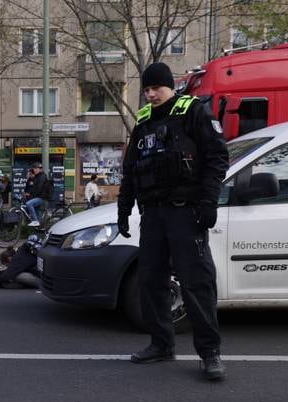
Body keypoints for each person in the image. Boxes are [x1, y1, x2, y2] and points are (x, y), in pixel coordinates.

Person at [117, 62, 229, 381]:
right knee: (152, 281)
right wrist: (123, 210)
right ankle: (161, 344)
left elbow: (217, 157)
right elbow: (132, 170)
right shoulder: (144, 119)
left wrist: (208, 203)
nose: (151, 94)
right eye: (147, 89)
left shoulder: (192, 111)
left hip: (185, 211)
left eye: (156, 88)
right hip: (153, 214)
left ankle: (210, 353)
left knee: (197, 283)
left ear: (170, 86)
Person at [24, 163, 48, 227]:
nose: (35, 170)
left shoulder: (42, 176)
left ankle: (35, 221)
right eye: (34, 168)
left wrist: (32, 195)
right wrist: (29, 178)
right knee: (36, 211)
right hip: (37, 196)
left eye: (36, 168)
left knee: (29, 204)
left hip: (41, 197)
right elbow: (31, 186)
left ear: (40, 169)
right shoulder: (37, 176)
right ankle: (39, 226)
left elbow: (39, 188)